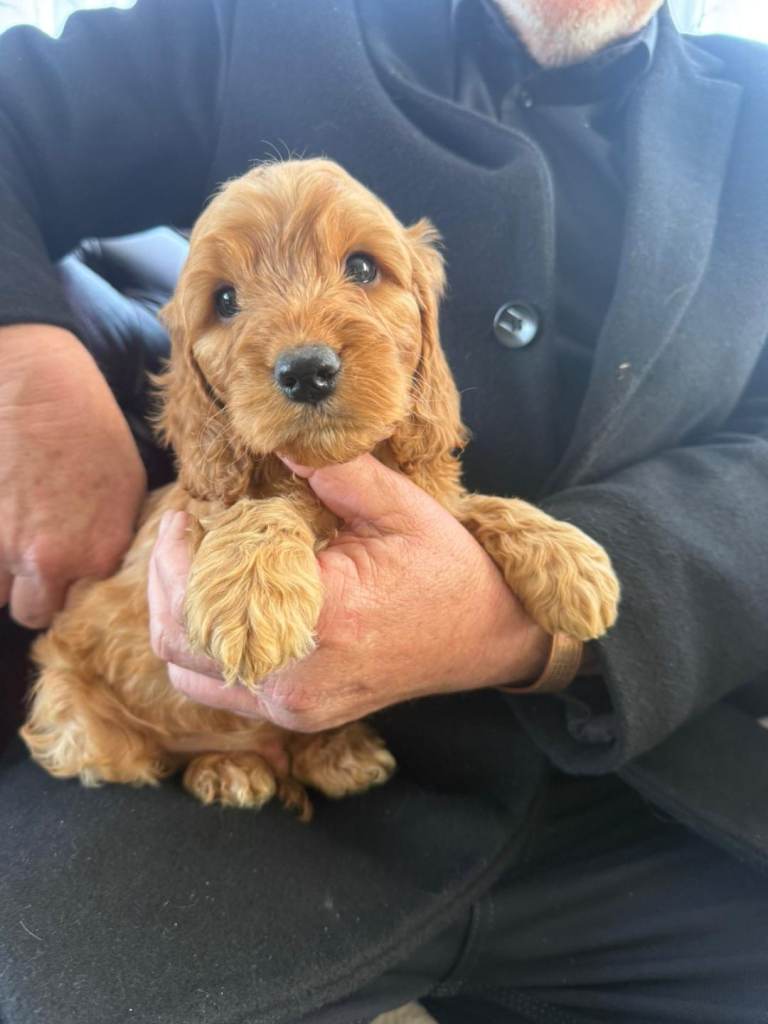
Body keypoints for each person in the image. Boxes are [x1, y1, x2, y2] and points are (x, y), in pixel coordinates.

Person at [1, 1, 768, 1021]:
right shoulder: (263, 20)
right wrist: (24, 360)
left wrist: (512, 619)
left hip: (640, 773)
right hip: (228, 773)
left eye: (364, 269)